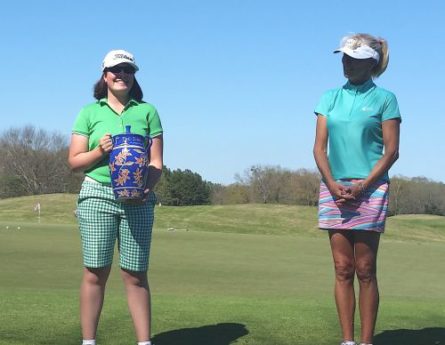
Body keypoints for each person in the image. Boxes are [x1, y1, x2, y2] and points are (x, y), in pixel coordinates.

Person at [68, 49, 163, 345]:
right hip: (97, 194)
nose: (121, 74)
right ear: (105, 75)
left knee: (135, 273)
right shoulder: (89, 112)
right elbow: (74, 161)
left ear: (134, 75)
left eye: (128, 69)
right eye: (115, 70)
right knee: (95, 271)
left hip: (138, 199)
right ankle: (89, 342)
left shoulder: (147, 111)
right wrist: (100, 151)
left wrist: (145, 187)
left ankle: (144, 343)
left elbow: (157, 163)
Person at [313, 34, 401, 345]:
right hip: (333, 186)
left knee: (365, 268)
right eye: (344, 57)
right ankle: (347, 341)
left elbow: (391, 151)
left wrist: (363, 185)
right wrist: (332, 182)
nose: (346, 63)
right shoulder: (329, 98)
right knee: (342, 267)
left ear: (371, 62)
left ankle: (366, 341)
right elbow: (319, 149)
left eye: (354, 58)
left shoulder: (385, 99)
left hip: (371, 188)